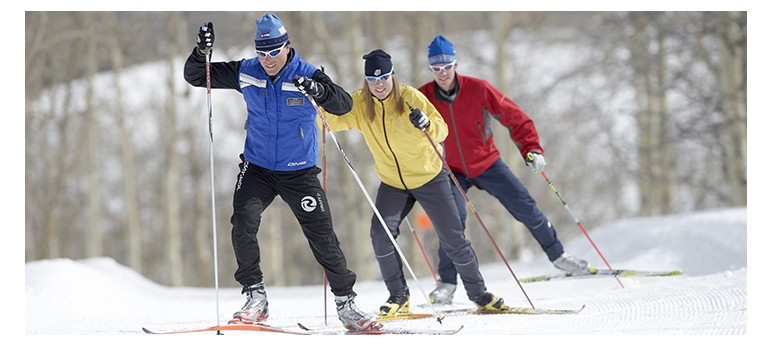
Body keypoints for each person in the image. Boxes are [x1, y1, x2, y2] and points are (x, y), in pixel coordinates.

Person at [182, 13, 381, 332]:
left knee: (322, 235)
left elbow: (343, 105)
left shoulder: (307, 73)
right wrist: (201, 53)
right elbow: (196, 76)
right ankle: (255, 298)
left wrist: (318, 90)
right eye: (262, 53)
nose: (268, 60)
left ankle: (346, 304)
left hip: (298, 171)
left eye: (273, 52)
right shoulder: (247, 71)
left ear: (287, 47)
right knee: (243, 221)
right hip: (258, 167)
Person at [323, 49, 510, 316]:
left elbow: (441, 128)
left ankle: (479, 293)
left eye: (384, 78)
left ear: (392, 75)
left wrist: (425, 124)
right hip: (393, 183)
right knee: (380, 233)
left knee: (453, 238)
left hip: (429, 177)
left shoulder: (410, 98)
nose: (378, 85)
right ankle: (398, 296)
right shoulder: (361, 103)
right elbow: (332, 121)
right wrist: (317, 105)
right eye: (372, 80)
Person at [417, 35, 591, 305]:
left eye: (447, 66)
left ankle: (559, 256)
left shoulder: (479, 89)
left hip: (487, 162)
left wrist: (531, 149)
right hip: (450, 170)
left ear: (455, 64)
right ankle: (447, 283)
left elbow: (516, 118)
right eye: (436, 68)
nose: (442, 73)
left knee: (525, 206)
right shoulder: (423, 96)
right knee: (452, 222)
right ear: (430, 69)